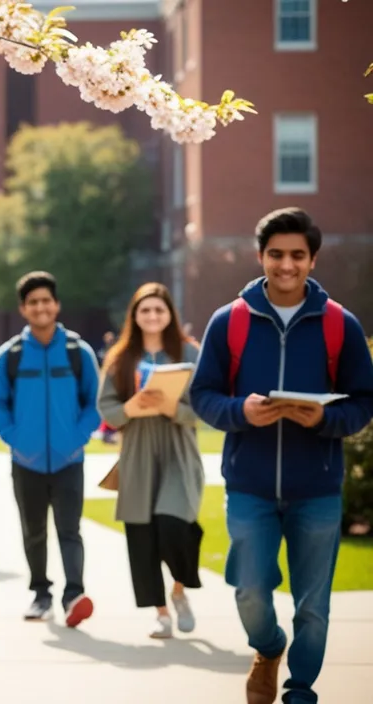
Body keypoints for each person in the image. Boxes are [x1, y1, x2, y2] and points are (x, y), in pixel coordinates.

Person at [189, 208, 373, 704]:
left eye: (297, 255)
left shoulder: (340, 325)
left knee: (313, 605)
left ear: (313, 260)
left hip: (317, 488)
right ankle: (268, 648)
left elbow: (364, 401)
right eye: (276, 254)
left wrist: (326, 421)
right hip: (248, 486)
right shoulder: (229, 322)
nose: (286, 265)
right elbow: (202, 394)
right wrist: (240, 411)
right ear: (260, 256)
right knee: (250, 590)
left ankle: (300, 690)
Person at [0, 271, 100, 626]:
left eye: (46, 301)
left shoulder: (78, 352)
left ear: (57, 305)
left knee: (70, 530)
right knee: (33, 531)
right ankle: (41, 594)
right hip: (26, 462)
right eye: (33, 302)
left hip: (70, 460)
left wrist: (76, 440)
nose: (40, 307)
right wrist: (18, 441)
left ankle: (74, 595)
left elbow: (93, 405)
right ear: (24, 308)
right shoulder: (11, 356)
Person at [98, 283, 205, 639]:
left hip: (178, 449)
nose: (153, 316)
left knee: (174, 524)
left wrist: (172, 407)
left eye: (159, 310)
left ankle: (179, 590)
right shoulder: (121, 357)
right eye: (145, 310)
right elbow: (108, 409)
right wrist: (133, 407)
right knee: (142, 535)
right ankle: (160, 614)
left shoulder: (191, 353)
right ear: (135, 315)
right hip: (138, 451)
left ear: (169, 314)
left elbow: (206, 407)